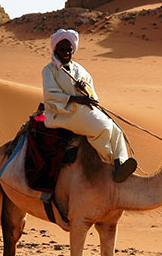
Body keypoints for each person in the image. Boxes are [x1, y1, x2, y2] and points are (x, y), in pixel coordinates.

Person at [41, 28, 137, 183]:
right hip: (62, 112)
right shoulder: (49, 70)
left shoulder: (79, 69)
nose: (66, 53)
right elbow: (50, 96)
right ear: (56, 50)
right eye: (62, 50)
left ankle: (120, 163)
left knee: (116, 130)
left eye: (69, 50)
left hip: (83, 108)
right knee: (102, 129)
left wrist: (84, 88)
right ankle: (108, 162)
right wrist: (75, 98)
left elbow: (91, 92)